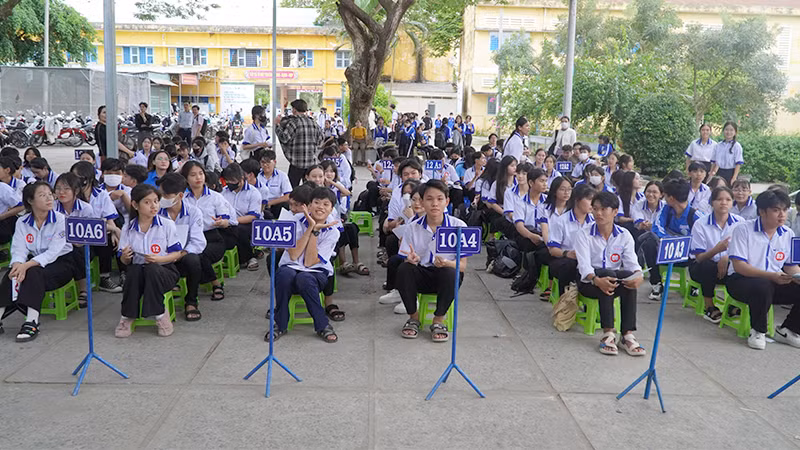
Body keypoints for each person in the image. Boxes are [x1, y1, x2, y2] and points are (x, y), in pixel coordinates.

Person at [726, 189, 800, 350]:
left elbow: (789, 265)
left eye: (785, 210)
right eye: (776, 210)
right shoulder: (743, 230)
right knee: (762, 285)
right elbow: (739, 266)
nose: (782, 214)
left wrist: (796, 275)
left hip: (774, 280)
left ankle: (788, 330)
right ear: (762, 211)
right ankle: (758, 330)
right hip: (741, 281)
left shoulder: (788, 233)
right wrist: (771, 276)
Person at [0, 182, 73, 341]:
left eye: (49, 194)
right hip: (34, 263)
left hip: (62, 264)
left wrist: (26, 265)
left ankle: (32, 321)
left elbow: (53, 252)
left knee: (32, 272)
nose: (49, 198)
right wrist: (18, 264)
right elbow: (19, 248)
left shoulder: (61, 220)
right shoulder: (22, 222)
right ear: (30, 201)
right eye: (42, 195)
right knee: (12, 273)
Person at [575, 191, 645, 356]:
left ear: (614, 212)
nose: (598, 213)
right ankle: (608, 333)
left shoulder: (624, 235)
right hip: (589, 283)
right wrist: (596, 280)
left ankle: (627, 334)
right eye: (595, 209)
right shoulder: (584, 234)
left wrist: (638, 276)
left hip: (611, 279)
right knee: (607, 274)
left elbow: (632, 262)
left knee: (628, 277)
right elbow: (584, 266)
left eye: (603, 209)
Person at [398, 180, 467, 342]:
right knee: (403, 269)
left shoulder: (459, 227)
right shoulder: (412, 227)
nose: (435, 204)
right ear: (421, 202)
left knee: (451, 272)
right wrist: (411, 260)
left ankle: (438, 320)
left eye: (439, 199)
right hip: (422, 273)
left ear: (447, 201)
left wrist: (447, 263)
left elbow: (462, 266)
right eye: (429, 199)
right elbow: (407, 256)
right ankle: (414, 318)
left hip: (446, 277)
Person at [272, 187, 341, 343]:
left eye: (326, 204)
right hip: (290, 267)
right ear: (308, 206)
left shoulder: (333, 231)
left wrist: (316, 233)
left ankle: (322, 325)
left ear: (331, 210)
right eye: (316, 202)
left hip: (316, 274)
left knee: (305, 278)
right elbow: (294, 254)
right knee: (283, 275)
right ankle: (280, 324)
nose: (320, 207)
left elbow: (309, 262)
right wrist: (310, 228)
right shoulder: (293, 221)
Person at [115, 184, 183, 338]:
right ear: (135, 205)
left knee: (152, 268)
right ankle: (127, 317)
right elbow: (124, 261)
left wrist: (159, 259)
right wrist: (125, 257)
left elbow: (176, 254)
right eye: (147, 202)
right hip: (139, 272)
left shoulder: (166, 225)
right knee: (133, 270)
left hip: (164, 271)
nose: (153, 206)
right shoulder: (128, 228)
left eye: (156, 201)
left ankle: (160, 315)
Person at [689, 186, 742, 324]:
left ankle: (733, 306)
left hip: (727, 268)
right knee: (707, 266)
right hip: (702, 268)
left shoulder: (740, 223)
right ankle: (709, 307)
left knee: (742, 267)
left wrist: (726, 257)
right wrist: (717, 250)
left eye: (728, 199)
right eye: (719, 199)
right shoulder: (701, 224)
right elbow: (699, 257)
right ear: (712, 202)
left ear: (732, 202)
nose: (724, 203)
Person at [157, 173, 206, 322]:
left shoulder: (193, 212)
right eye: (161, 194)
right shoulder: (156, 211)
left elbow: (198, 242)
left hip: (183, 256)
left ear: (180, 195)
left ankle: (191, 301)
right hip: (160, 255)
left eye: (166, 195)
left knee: (194, 260)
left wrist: (181, 253)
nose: (162, 198)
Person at [182, 161, 233, 301]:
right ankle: (204, 282)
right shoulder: (182, 199)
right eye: (193, 175)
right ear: (186, 178)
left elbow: (227, 220)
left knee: (199, 254)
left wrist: (221, 222)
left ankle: (215, 283)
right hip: (189, 237)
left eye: (200, 174)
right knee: (189, 254)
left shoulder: (215, 197)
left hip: (212, 237)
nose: (198, 178)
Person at [647, 178, 702, 300]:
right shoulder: (666, 210)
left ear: (671, 198)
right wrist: (670, 241)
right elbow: (657, 227)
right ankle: (656, 284)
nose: (664, 198)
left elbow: (703, 239)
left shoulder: (696, 216)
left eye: (665, 195)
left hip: (687, 256)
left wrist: (682, 244)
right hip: (668, 250)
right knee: (649, 243)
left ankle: (696, 285)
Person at [72, 161, 123, 293]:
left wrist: (113, 231)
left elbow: (110, 217)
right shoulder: (71, 195)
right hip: (77, 237)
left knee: (110, 239)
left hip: (98, 232)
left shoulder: (101, 194)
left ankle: (104, 277)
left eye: (79, 177)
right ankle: (82, 285)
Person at [548, 184, 595, 296]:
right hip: (564, 260)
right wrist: (567, 253)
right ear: (577, 200)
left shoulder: (594, 222)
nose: (592, 204)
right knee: (570, 265)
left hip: (586, 261)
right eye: (589, 199)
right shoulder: (561, 221)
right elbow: (552, 249)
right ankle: (564, 300)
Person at [221, 163, 262, 271]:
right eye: (228, 181)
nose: (230, 183)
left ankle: (249, 257)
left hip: (248, 223)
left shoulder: (253, 193)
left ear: (241, 178)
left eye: (233, 181)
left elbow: (253, 216)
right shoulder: (224, 192)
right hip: (228, 223)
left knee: (239, 230)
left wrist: (232, 221)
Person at [277, 99, 324, 188]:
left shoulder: (294, 122)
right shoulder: (313, 122)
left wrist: (277, 126)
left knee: (292, 189)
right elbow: (321, 138)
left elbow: (284, 138)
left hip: (296, 163)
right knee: (310, 189)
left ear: (294, 109)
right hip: (311, 163)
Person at [256, 150, 292, 219]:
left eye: (268, 162)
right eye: (263, 162)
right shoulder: (256, 175)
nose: (265, 165)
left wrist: (270, 203)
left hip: (276, 204)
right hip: (259, 204)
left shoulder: (282, 175)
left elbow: (288, 195)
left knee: (285, 206)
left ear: (274, 162)